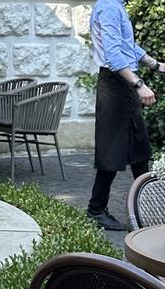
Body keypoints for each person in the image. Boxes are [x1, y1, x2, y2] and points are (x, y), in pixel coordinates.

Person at [87, 0, 165, 230]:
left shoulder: (115, 5)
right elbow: (113, 54)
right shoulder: (110, 6)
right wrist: (139, 84)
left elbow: (126, 45)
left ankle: (151, 208)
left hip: (121, 83)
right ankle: (96, 210)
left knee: (139, 149)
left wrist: (156, 65)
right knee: (111, 149)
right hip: (116, 84)